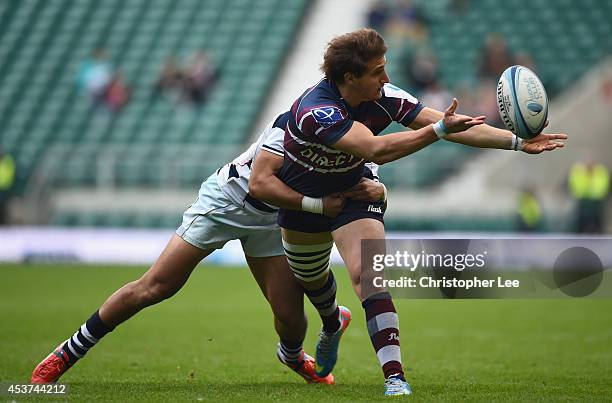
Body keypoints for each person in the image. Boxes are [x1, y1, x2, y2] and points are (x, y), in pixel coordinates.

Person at [248, 28, 567, 396]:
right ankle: (333, 323)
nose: (386, 77)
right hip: (304, 200)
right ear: (350, 78)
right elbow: (376, 148)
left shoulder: (386, 96)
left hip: (357, 193)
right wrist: (438, 131)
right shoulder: (315, 110)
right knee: (312, 279)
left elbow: (453, 126)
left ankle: (394, 377)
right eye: (377, 71)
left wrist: (517, 141)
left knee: (369, 276)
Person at [31, 113, 387, 385]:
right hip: (228, 202)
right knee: (156, 285)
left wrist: (376, 189)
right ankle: (67, 352)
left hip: (273, 217)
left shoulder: (351, 138)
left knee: (291, 317)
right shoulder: (303, 121)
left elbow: (366, 175)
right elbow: (264, 183)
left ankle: (293, 357)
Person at [568, 161, 610, 233]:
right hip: (583, 200)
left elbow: (602, 186)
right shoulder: (579, 172)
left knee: (597, 222)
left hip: (596, 201)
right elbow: (576, 185)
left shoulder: (601, 172)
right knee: (581, 222)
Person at [0, 148, 16, 224]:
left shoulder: (7, 161)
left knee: (3, 207)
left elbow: (8, 175)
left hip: (5, 188)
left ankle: (4, 223)